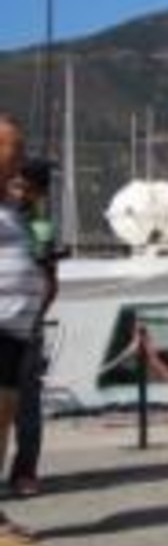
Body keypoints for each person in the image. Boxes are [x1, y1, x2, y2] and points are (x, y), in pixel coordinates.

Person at [0, 115, 45, 541]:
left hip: (16, 331)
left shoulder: (15, 209)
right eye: (12, 147)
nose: (19, 155)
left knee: (4, 419)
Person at [7, 158, 59, 496]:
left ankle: (25, 470)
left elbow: (50, 281)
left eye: (23, 186)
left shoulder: (39, 225)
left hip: (25, 324)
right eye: (15, 185)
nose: (17, 191)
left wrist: (36, 317)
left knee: (26, 403)